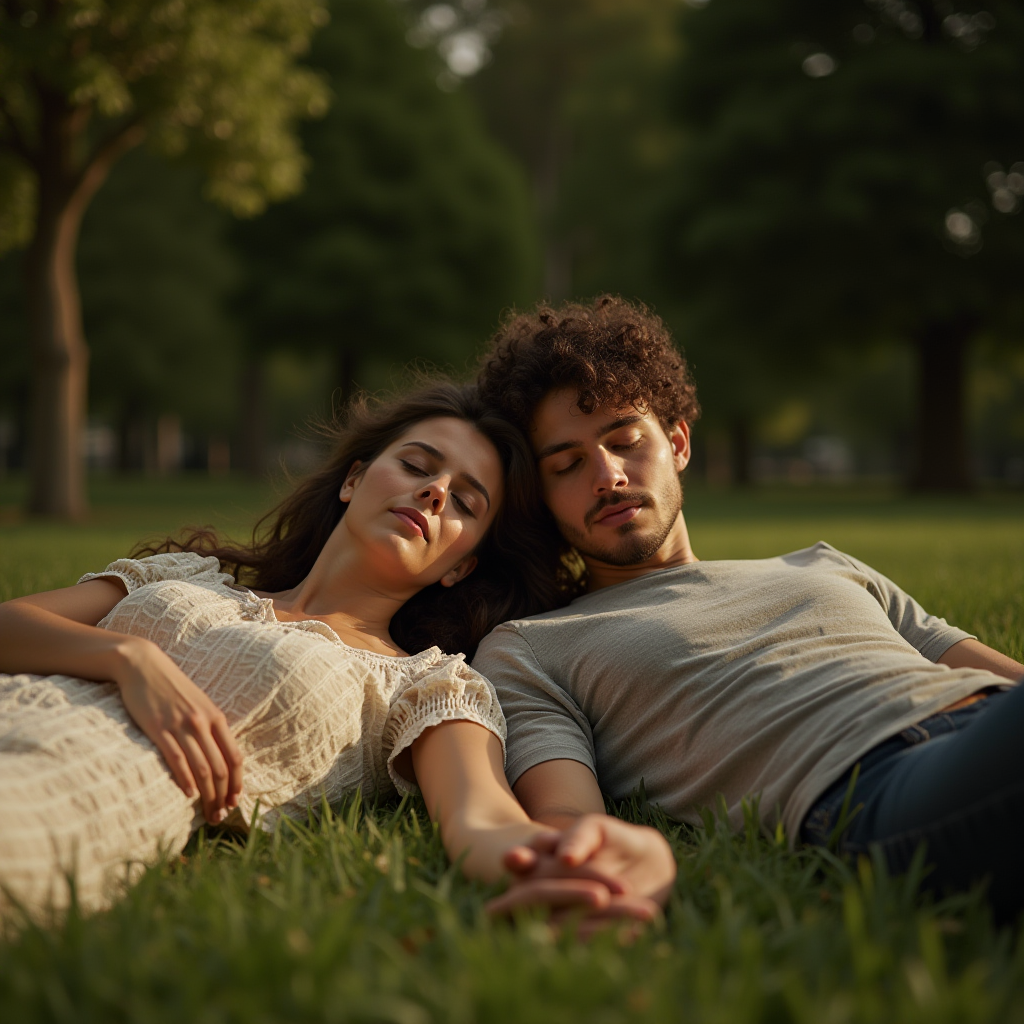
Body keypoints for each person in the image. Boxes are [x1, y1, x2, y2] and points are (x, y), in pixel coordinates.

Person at [0, 382, 675, 921]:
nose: (435, 490)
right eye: (416, 465)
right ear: (354, 479)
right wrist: (127, 659)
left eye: (465, 502)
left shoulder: (424, 685)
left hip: (70, 792)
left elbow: (481, 817)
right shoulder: (183, 575)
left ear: (460, 567)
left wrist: (582, 856)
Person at [472, 297, 1024, 922]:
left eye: (625, 441)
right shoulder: (533, 646)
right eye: (567, 465)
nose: (608, 476)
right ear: (538, 498)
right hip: (881, 786)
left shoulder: (822, 563)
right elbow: (568, 813)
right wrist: (590, 861)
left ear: (677, 443)